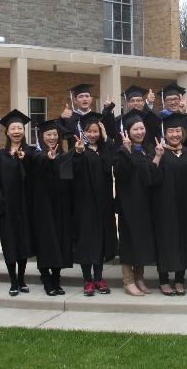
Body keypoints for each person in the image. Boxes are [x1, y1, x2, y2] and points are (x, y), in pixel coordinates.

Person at [114, 108, 162, 296]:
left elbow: (152, 178)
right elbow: (122, 174)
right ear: (127, 131)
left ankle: (139, 278)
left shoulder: (148, 149)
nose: (140, 132)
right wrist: (127, 151)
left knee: (142, 241)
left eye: (142, 128)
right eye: (135, 129)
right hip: (128, 204)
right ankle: (128, 281)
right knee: (128, 242)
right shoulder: (121, 151)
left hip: (145, 203)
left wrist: (157, 157)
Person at [71, 111, 117, 296]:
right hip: (84, 204)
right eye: (89, 131)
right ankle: (87, 280)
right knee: (86, 240)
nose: (92, 134)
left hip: (103, 202)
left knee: (100, 240)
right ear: (83, 132)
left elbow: (109, 165)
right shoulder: (78, 149)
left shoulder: (104, 149)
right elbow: (73, 170)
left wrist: (106, 138)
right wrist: (78, 152)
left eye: (95, 131)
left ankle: (98, 277)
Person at [153, 113, 187, 296]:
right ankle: (163, 280)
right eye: (171, 131)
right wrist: (157, 157)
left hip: (186, 206)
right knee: (165, 242)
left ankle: (180, 279)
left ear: (183, 133)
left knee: (184, 241)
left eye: (178, 131)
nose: (175, 135)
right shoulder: (159, 152)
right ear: (165, 133)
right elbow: (151, 179)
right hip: (164, 207)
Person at [30, 118, 73, 296]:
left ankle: (56, 278)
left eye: (55, 134)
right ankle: (46, 279)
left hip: (60, 206)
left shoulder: (63, 155)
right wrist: (48, 158)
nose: (52, 137)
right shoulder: (35, 155)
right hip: (43, 207)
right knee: (45, 242)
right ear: (41, 136)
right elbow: (36, 169)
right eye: (48, 134)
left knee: (60, 241)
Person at [0, 109, 34, 296]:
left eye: (20, 128)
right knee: (10, 244)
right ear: (7, 132)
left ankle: (22, 279)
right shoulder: (0, 155)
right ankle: (12, 281)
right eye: (13, 128)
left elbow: (34, 178)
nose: (17, 131)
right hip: (7, 208)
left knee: (23, 244)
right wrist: (2, 202)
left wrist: (24, 161)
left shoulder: (31, 153)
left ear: (24, 131)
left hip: (25, 207)